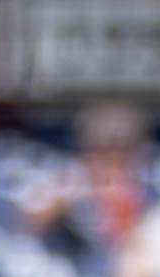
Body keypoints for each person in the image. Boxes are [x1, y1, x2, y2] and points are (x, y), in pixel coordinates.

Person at [22, 101, 150, 266]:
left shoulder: (145, 186)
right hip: (71, 271)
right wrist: (69, 198)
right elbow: (29, 223)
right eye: (102, 149)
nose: (110, 158)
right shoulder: (68, 176)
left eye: (122, 149)